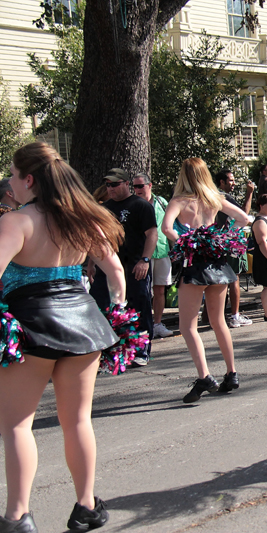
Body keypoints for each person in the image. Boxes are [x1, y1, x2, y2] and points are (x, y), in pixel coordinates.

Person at [0, 142, 125, 532]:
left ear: (29, 179)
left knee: (18, 425)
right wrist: (118, 307)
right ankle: (86, 506)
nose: (10, 184)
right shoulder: (82, 218)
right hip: (84, 326)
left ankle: (17, 516)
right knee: (77, 422)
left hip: (32, 327)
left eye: (13, 176)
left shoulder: (16, 221)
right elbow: (116, 274)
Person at [162, 158, 249, 403]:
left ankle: (205, 376)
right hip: (218, 264)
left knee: (187, 326)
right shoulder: (215, 198)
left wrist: (186, 240)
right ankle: (231, 372)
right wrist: (223, 237)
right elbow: (244, 219)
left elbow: (166, 228)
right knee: (218, 320)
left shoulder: (179, 201)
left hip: (194, 264)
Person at [88, 168, 157, 366]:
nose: (110, 188)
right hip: (108, 267)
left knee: (138, 307)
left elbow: (152, 234)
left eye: (115, 184)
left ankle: (141, 350)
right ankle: (111, 351)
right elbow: (96, 239)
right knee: (103, 307)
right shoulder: (104, 209)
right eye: (107, 185)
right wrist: (92, 263)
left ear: (126, 184)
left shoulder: (140, 205)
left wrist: (145, 260)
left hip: (134, 265)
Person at [132, 173, 174, 339]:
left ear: (150, 186)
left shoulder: (162, 202)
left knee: (160, 289)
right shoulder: (133, 204)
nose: (137, 190)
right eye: (135, 186)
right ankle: (144, 324)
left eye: (140, 186)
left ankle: (157, 323)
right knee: (143, 291)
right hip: (143, 254)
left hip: (162, 251)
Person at [214, 169, 255, 328]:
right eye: (230, 180)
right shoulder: (224, 197)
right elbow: (243, 214)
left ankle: (211, 315)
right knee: (234, 279)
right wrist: (249, 194)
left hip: (216, 241)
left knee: (219, 280)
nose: (234, 183)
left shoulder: (211, 196)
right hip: (230, 242)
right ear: (221, 182)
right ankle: (234, 315)